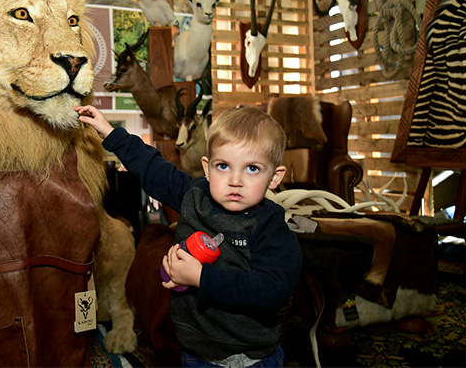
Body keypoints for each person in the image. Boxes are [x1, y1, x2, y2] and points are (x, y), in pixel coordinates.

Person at [75, 104, 303, 367]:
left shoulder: (271, 228)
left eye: (252, 168)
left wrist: (201, 278)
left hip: (248, 356)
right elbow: (153, 168)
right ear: (207, 168)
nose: (235, 180)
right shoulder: (195, 196)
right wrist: (110, 133)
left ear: (275, 177)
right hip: (194, 349)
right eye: (223, 166)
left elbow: (271, 290)